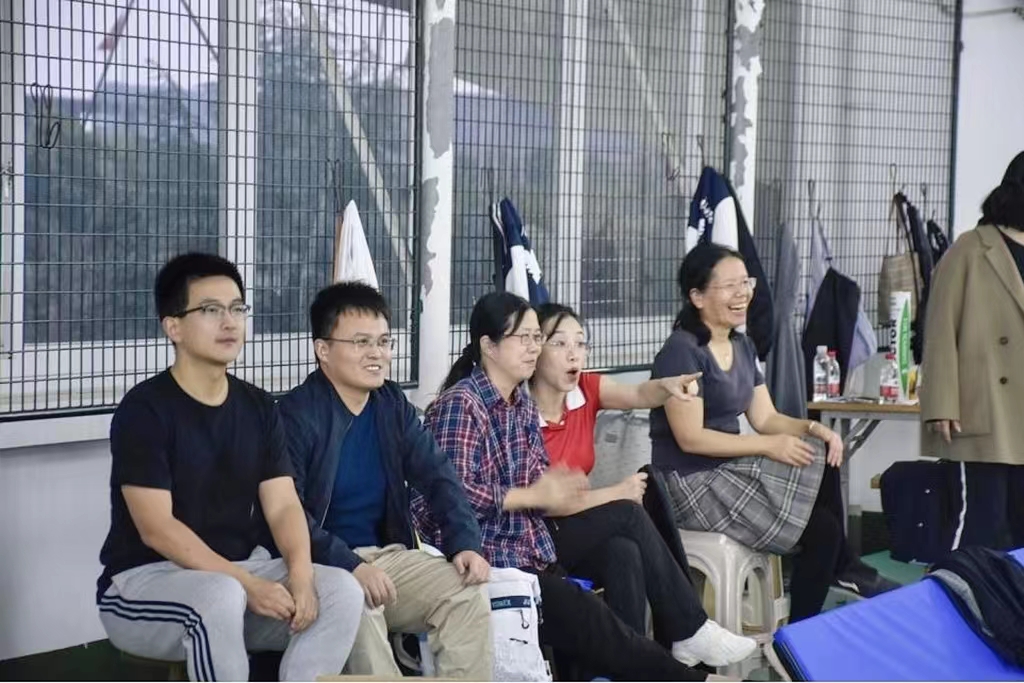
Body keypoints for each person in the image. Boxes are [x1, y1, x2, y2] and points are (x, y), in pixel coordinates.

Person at [414, 291, 726, 682]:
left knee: (622, 552)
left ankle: (644, 662)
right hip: (487, 556)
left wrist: (552, 488)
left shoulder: (520, 402)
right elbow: (452, 494)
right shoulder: (462, 404)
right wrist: (536, 495)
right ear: (489, 347)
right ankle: (692, 653)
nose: (534, 347)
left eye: (537, 338)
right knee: (620, 531)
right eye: (524, 338)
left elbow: (537, 481)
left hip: (528, 543)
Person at [96, 253, 364, 682]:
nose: (229, 322)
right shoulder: (145, 410)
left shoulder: (258, 406)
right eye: (210, 310)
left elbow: (283, 505)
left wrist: (300, 574)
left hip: (240, 573)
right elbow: (156, 528)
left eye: (237, 309)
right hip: (143, 584)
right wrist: (246, 583)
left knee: (341, 591)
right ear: (173, 327)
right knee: (220, 595)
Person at [649, 243, 897, 623]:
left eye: (745, 283)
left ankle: (837, 573)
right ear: (697, 297)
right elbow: (691, 438)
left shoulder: (742, 345)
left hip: (728, 470)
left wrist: (815, 428)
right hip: (689, 483)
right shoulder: (681, 351)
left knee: (819, 458)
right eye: (729, 286)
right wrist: (768, 446)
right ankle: (811, 615)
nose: (743, 294)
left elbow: (765, 418)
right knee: (824, 531)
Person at [278, 282, 492, 680]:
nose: (377, 353)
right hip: (323, 566)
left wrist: (464, 541)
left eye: (383, 341)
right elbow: (287, 515)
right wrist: (351, 565)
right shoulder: (296, 415)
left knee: (465, 589)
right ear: (323, 350)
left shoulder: (391, 405)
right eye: (361, 342)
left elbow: (439, 476)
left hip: (388, 558)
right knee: (353, 599)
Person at [527, 302, 756, 664]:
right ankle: (689, 629)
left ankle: (622, 670)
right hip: (534, 539)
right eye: (559, 343)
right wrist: (617, 493)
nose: (574, 354)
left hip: (574, 530)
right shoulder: (519, 412)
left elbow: (637, 395)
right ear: (535, 349)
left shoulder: (585, 390)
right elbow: (548, 503)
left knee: (623, 552)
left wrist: (667, 386)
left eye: (581, 343)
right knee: (628, 512)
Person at [920, 151, 1024, 549]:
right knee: (982, 525)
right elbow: (940, 328)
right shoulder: (971, 248)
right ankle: (964, 590)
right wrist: (941, 403)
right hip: (984, 410)